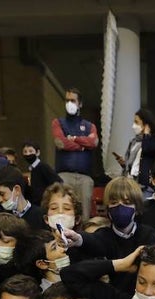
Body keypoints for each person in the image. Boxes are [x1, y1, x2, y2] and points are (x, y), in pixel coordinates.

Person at [52, 87, 100, 219]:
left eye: (73, 100)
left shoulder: (90, 126)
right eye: (67, 100)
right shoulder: (58, 123)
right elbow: (60, 142)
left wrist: (74, 139)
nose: (69, 104)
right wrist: (82, 146)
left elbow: (94, 142)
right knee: (64, 213)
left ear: (80, 104)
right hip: (64, 175)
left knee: (85, 215)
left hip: (85, 177)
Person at [115, 108, 155, 191]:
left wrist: (146, 134)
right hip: (129, 182)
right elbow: (133, 164)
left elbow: (146, 149)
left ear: (146, 124)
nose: (134, 126)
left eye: (136, 122)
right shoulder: (134, 141)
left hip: (144, 185)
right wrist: (124, 163)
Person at [22, 141, 62, 210]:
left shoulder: (43, 167)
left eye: (30, 151)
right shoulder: (32, 169)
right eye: (25, 152)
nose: (28, 154)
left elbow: (57, 181)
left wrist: (48, 196)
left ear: (37, 153)